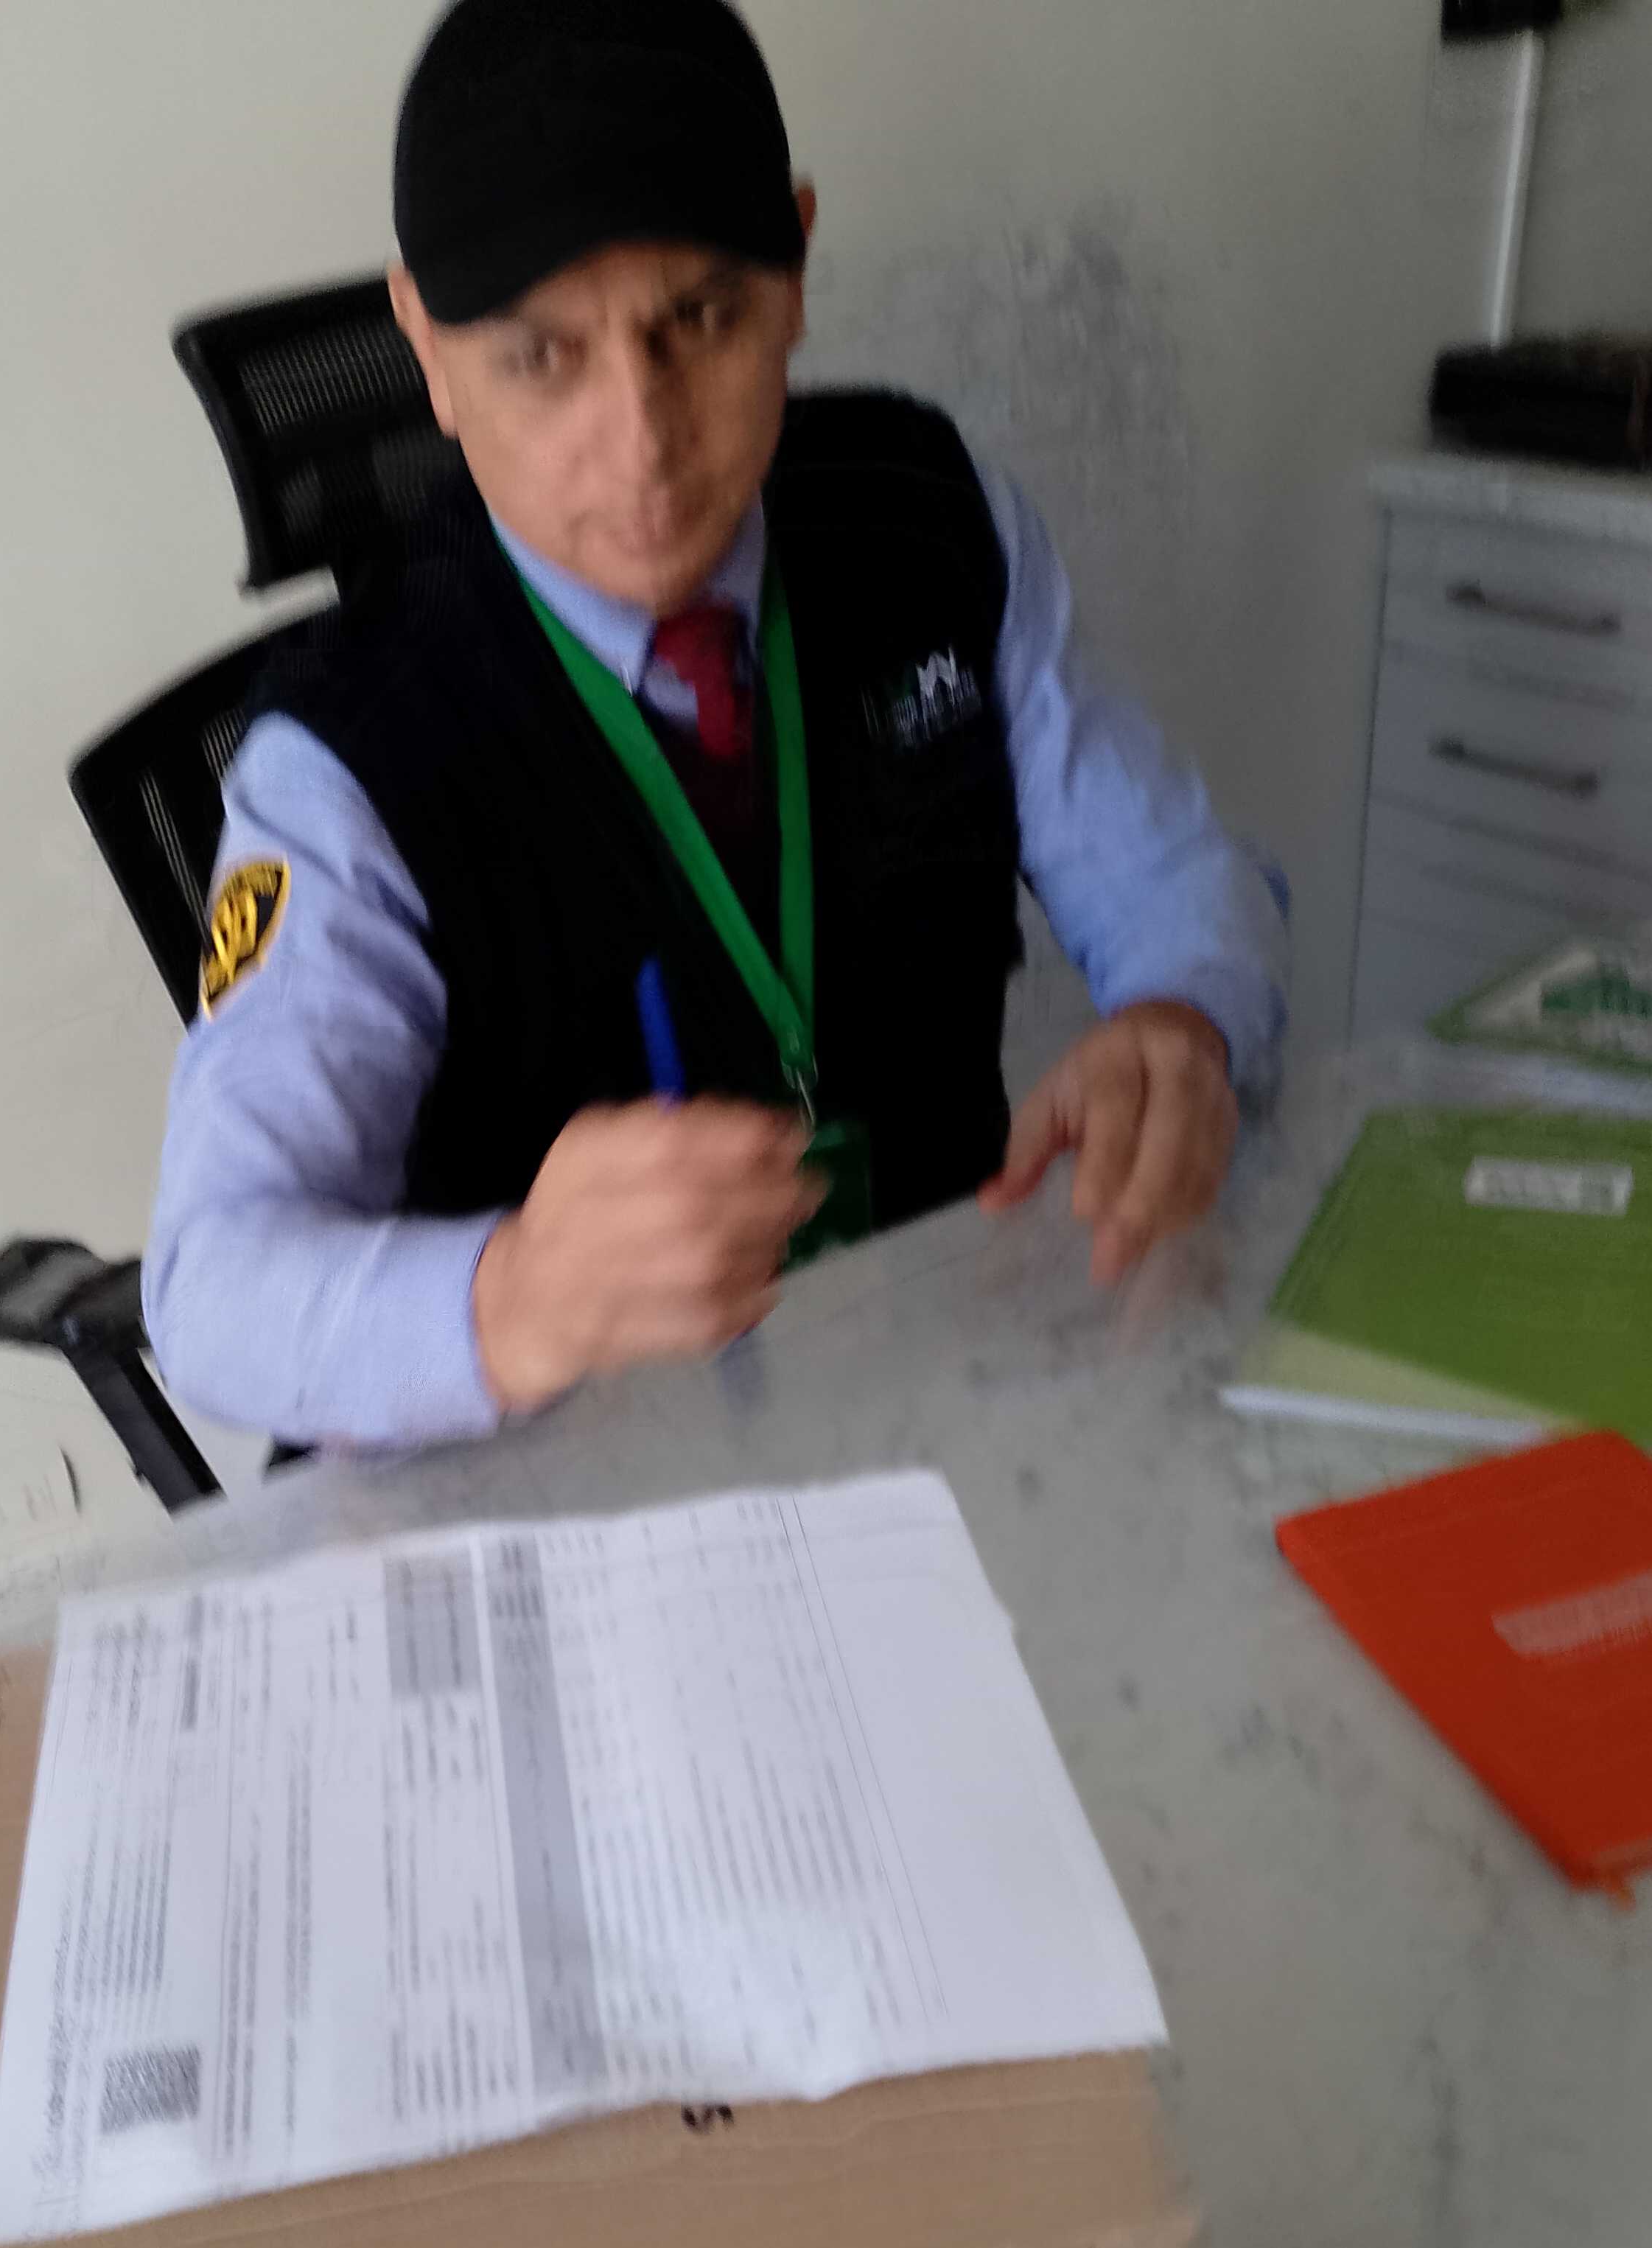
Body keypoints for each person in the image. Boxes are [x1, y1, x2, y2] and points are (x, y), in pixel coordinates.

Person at [144, 0, 1287, 1448]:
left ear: (795, 269)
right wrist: (510, 1301)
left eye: (699, 320)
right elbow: (208, 1287)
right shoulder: (344, 762)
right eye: (541, 358)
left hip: (932, 1397)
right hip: (569, 1475)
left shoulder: (932, 523)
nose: (644, 445)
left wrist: (1184, 1022)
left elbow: (1178, 872)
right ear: (425, 346)